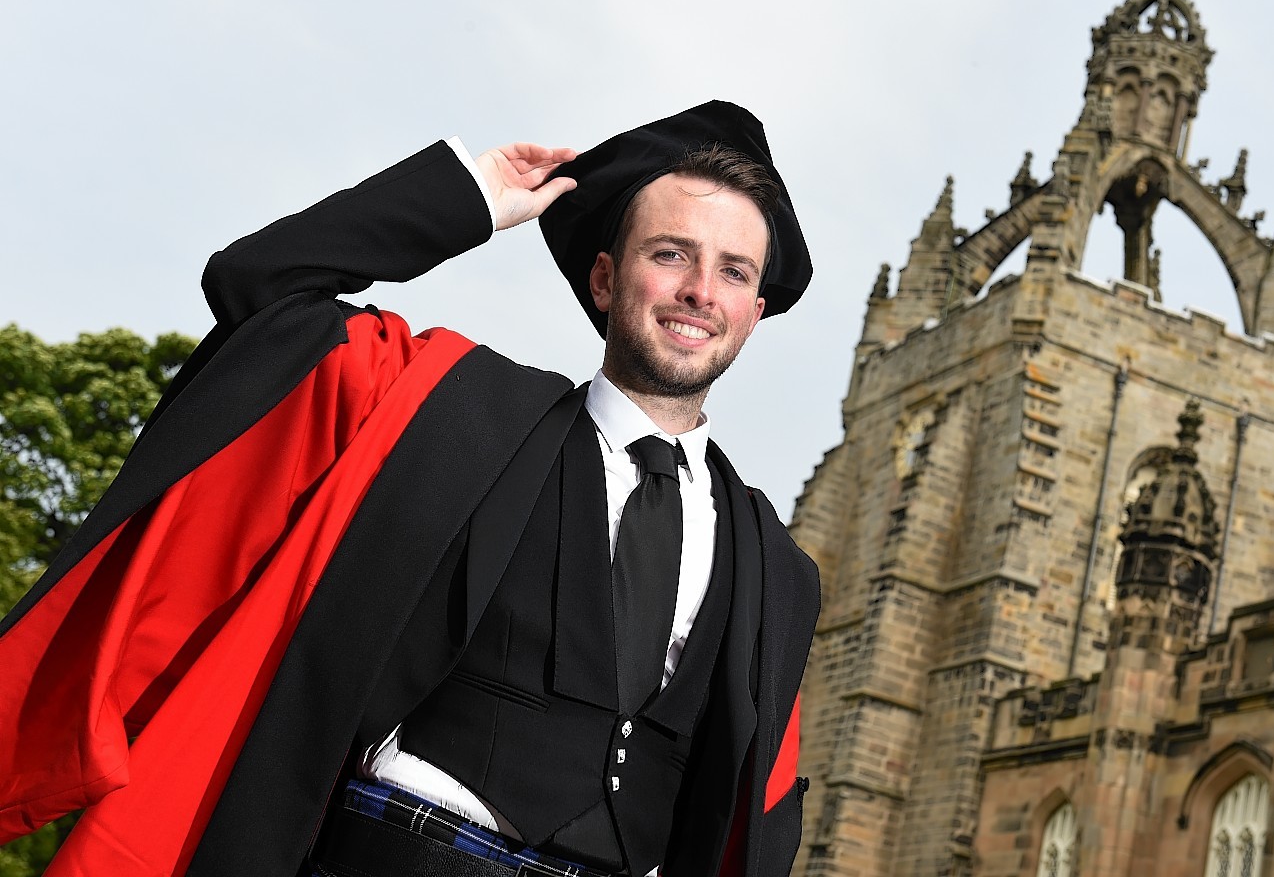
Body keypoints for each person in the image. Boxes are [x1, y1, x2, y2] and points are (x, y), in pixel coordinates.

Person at [0, 101, 820, 877]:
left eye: (732, 271)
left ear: (753, 309)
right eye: (670, 253)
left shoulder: (776, 571)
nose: (699, 292)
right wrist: (461, 199)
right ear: (605, 279)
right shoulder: (444, 404)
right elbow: (262, 289)